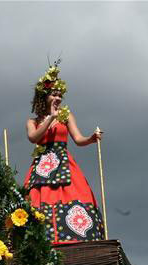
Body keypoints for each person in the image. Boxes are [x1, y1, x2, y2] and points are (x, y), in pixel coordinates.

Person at [24, 64, 105, 244]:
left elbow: (78, 139)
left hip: (65, 164)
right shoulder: (32, 121)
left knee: (76, 195)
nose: (58, 98)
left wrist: (91, 138)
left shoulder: (67, 116)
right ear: (44, 97)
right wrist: (51, 118)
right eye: (54, 94)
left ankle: (74, 234)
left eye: (60, 95)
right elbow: (34, 138)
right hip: (42, 167)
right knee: (38, 199)